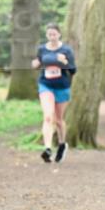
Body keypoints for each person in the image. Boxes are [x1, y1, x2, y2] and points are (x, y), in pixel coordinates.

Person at [32, 23, 76, 163]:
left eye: (54, 34)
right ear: (47, 35)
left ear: (59, 35)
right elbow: (36, 63)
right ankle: (47, 148)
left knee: (59, 120)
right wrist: (35, 64)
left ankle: (62, 144)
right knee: (48, 117)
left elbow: (73, 70)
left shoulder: (66, 50)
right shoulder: (42, 49)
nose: (52, 37)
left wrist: (65, 62)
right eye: (49, 34)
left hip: (62, 86)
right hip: (45, 85)